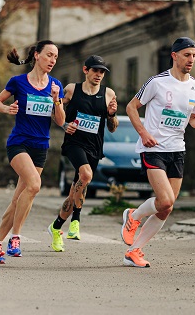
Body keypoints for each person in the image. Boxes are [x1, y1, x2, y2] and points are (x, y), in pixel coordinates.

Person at [121, 37, 195, 267]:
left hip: (177, 150)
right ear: (174, 55)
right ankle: (133, 217)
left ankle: (134, 251)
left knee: (167, 207)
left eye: (194, 55)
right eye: (186, 55)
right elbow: (131, 107)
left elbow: (192, 120)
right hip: (153, 148)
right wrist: (143, 132)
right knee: (165, 199)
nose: (191, 59)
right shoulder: (157, 82)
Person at [0, 40, 65, 264]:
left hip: (40, 146)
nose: (52, 60)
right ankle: (16, 237)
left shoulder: (55, 85)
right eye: (49, 55)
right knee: (34, 185)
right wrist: (7, 108)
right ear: (37, 55)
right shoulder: (18, 82)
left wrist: (57, 99)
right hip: (19, 143)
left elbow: (60, 121)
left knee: (18, 199)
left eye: (55, 57)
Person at [47, 55, 118, 252]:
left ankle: (56, 227)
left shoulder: (108, 94)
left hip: (94, 147)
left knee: (75, 192)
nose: (99, 75)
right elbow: (56, 111)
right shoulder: (71, 89)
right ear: (85, 70)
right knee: (86, 175)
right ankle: (76, 220)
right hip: (74, 143)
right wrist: (64, 125)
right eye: (95, 70)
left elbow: (112, 128)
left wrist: (111, 115)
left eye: (102, 72)